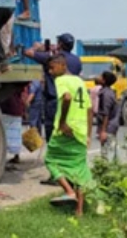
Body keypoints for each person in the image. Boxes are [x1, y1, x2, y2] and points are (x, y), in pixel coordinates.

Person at [43, 54, 93, 216]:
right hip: (81, 131)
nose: (50, 72)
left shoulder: (61, 80)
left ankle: (69, 191)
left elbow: (67, 98)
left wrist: (63, 122)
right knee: (79, 169)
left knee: (50, 160)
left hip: (65, 130)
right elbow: (89, 109)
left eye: (52, 68)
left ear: (63, 66)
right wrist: (89, 134)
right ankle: (79, 211)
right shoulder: (79, 81)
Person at [97, 71, 121, 161]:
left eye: (100, 76)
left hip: (109, 126)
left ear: (104, 80)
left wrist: (103, 131)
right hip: (111, 125)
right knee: (108, 149)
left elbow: (105, 114)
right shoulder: (107, 92)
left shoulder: (106, 95)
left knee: (107, 151)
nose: (97, 77)